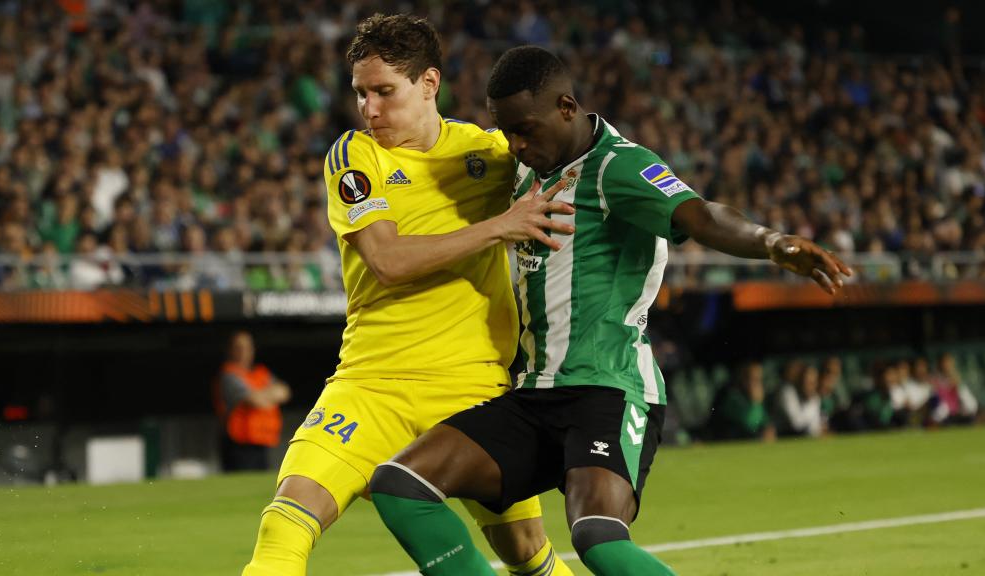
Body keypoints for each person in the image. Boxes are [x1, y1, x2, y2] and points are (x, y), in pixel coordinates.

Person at [369, 46, 851, 576]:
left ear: (568, 107)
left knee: (596, 535)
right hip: (533, 396)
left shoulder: (618, 166)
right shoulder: (531, 172)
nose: (516, 145)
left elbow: (701, 214)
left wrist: (772, 241)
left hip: (608, 389)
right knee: (400, 484)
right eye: (506, 132)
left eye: (526, 129)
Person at [241, 15, 576, 576]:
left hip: (475, 387)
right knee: (284, 524)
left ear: (429, 83)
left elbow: (580, 169)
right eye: (361, 94)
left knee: (527, 553)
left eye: (383, 92)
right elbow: (388, 261)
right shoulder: (355, 156)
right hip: (373, 383)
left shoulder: (492, 154)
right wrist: (501, 226)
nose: (369, 110)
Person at [215, 330, 291, 472]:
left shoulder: (261, 373)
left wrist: (263, 395)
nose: (243, 352)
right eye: (238, 348)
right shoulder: (229, 374)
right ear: (231, 350)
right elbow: (255, 400)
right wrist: (270, 396)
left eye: (247, 347)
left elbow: (284, 392)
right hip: (238, 445)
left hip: (262, 441)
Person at [709, 361, 776, 441]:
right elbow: (749, 423)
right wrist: (755, 403)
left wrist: (768, 428)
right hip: (730, 442)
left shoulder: (757, 397)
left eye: (759, 379)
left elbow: (764, 419)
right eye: (753, 379)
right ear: (743, 379)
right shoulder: (731, 395)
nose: (757, 383)